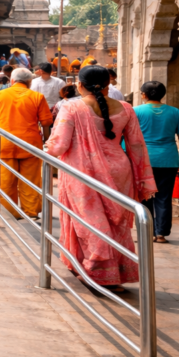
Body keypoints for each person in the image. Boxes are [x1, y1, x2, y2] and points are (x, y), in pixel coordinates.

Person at [44, 66, 157, 293]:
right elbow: (136, 146)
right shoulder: (126, 108)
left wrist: (43, 149)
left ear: (80, 84)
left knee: (91, 223)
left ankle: (98, 273)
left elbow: (58, 145)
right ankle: (114, 273)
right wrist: (143, 178)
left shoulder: (72, 107)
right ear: (108, 84)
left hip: (82, 173)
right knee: (116, 224)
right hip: (119, 171)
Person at [0, 68, 53, 219]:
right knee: (30, 180)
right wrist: (46, 141)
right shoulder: (37, 97)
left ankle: (9, 212)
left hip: (3, 144)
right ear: (30, 82)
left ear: (12, 81)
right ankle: (30, 212)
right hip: (30, 145)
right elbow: (46, 123)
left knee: (5, 181)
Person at [134, 81, 179, 243]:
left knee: (144, 197)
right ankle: (160, 233)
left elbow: (129, 137)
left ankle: (146, 232)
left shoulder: (136, 112)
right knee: (164, 197)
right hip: (168, 160)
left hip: (144, 160)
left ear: (144, 95)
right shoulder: (175, 112)